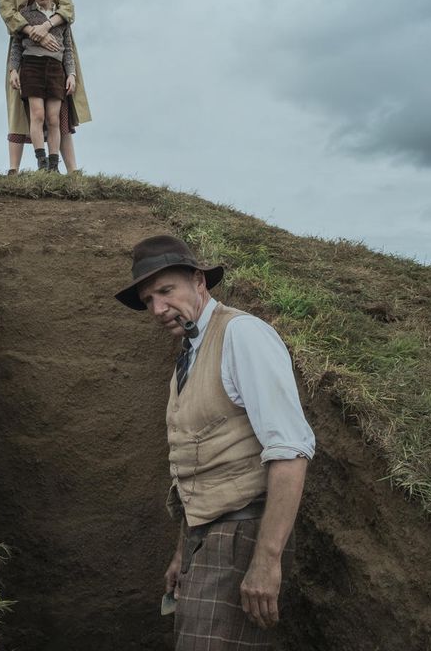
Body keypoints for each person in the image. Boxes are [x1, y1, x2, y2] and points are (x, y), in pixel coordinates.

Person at [114, 235, 315, 650]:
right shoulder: (190, 353)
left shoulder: (241, 335)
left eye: (167, 291)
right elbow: (201, 464)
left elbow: (291, 450)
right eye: (148, 299)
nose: (158, 309)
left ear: (199, 281)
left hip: (243, 534)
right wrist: (183, 552)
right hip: (208, 538)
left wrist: (266, 559)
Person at [0, 0, 92, 174]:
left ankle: (69, 170)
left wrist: (46, 26)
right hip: (25, 50)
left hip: (57, 45)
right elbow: (8, 15)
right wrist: (32, 31)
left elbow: (68, 8)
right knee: (22, 110)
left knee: (59, 112)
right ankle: (14, 169)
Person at [8, 0, 77, 172]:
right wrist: (13, 69)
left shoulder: (61, 16)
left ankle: (54, 165)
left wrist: (71, 74)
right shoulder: (25, 15)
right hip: (31, 67)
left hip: (56, 69)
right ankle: (41, 162)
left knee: (53, 118)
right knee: (37, 114)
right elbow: (16, 45)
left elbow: (68, 48)